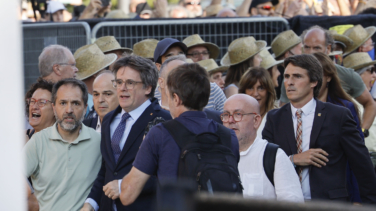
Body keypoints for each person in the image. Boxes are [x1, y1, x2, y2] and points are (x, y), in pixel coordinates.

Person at [118, 63, 240, 206]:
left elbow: (127, 195)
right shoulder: (229, 136)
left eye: (168, 95)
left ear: (176, 98)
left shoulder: (159, 134)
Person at [262, 54, 376, 203]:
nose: (289, 82)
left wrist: (368, 203)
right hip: (286, 203)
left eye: (297, 76)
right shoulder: (274, 118)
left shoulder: (338, 115)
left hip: (330, 204)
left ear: (314, 81)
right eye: (287, 76)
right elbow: (264, 162)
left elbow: (361, 163)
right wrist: (293, 159)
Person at [81, 56, 171, 211]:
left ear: (148, 88)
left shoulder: (162, 120)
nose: (122, 88)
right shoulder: (109, 119)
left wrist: (123, 185)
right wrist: (90, 203)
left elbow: (166, 174)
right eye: (119, 82)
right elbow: (107, 169)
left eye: (130, 83)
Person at [24, 78, 102, 211]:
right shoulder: (38, 141)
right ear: (54, 107)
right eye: (63, 103)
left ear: (85, 109)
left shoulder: (98, 141)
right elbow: (10, 177)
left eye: (76, 103)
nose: (69, 110)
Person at [283, 26, 376, 135]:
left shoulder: (347, 76)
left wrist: (362, 131)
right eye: (307, 47)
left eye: (317, 48)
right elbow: (284, 114)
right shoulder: (291, 76)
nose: (311, 53)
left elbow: (370, 104)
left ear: (328, 48)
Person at [222, 94, 303, 202]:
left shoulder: (274, 157)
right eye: (226, 115)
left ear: (256, 121)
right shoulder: (214, 156)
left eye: (238, 114)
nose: (230, 120)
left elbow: (293, 204)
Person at [313, 52, 363, 203]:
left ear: (328, 77)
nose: (313, 80)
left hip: (339, 192)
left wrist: (357, 200)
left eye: (317, 75)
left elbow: (357, 157)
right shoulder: (296, 109)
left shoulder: (345, 108)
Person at [154, 38, 227, 112]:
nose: (177, 58)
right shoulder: (153, 96)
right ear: (159, 66)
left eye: (180, 53)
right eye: (169, 55)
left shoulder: (212, 89)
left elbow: (227, 119)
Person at [159, 55, 223, 123]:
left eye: (186, 76)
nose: (181, 81)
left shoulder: (215, 118)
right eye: (174, 76)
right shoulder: (152, 115)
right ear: (161, 82)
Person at [343, 52, 376, 168]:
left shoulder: (370, 101)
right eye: (371, 70)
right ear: (358, 76)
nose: (374, 75)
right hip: (361, 162)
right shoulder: (348, 105)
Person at [74, 43, 117, 117]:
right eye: (105, 68)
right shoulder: (86, 102)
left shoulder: (80, 97)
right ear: (95, 73)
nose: (106, 71)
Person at [238, 67, 277, 137]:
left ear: (268, 91)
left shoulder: (277, 118)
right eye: (250, 88)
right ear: (243, 91)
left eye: (261, 88)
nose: (255, 93)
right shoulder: (236, 118)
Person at [271, 30, 303, 100]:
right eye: (301, 49)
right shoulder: (278, 77)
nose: (303, 53)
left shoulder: (275, 71)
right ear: (287, 54)